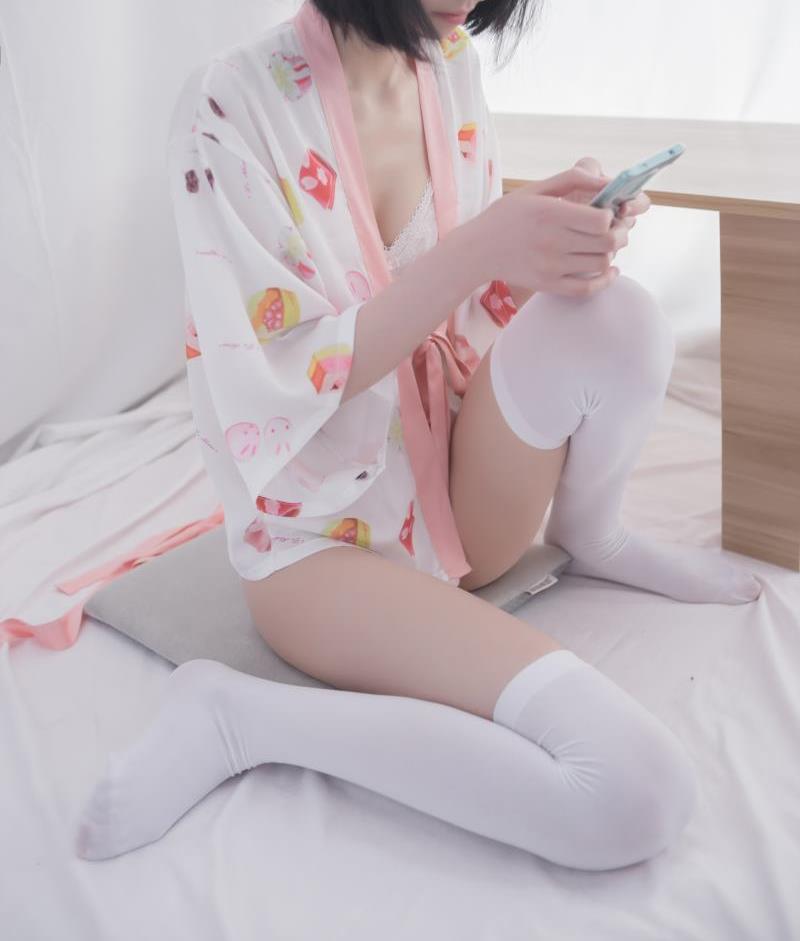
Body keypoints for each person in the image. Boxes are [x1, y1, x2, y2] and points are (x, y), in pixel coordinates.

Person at [75, 0, 760, 868]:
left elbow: (466, 319)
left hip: (454, 490)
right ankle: (238, 716)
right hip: (319, 548)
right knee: (636, 790)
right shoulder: (225, 108)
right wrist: (482, 246)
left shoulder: (448, 60)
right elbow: (272, 380)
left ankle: (592, 533)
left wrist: (545, 243)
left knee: (621, 317)